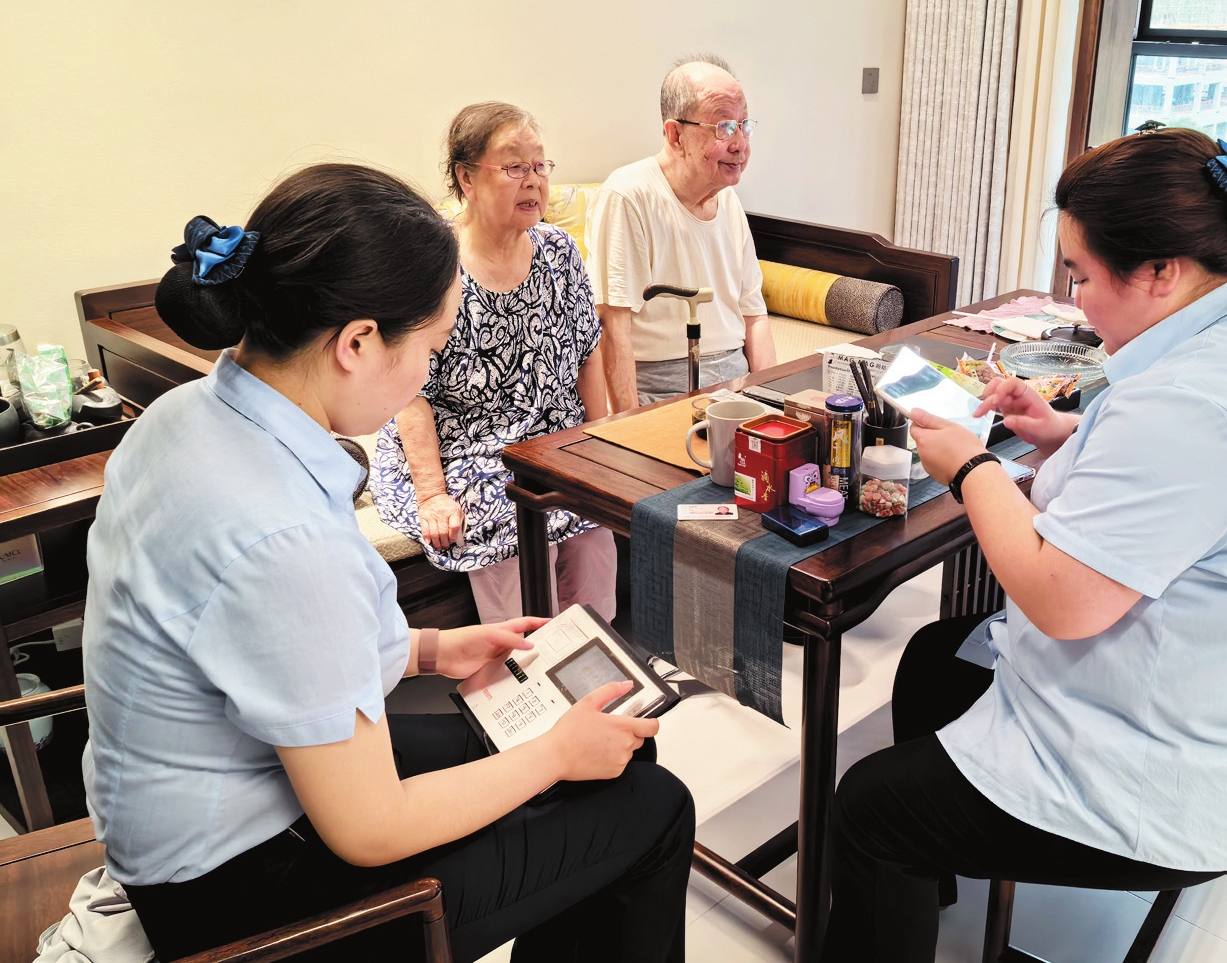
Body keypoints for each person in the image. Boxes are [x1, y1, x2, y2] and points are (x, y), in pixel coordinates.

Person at [82, 164, 694, 963]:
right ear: (358, 342)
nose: (427, 374)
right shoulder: (282, 532)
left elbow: (255, 645)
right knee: (652, 807)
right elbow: (368, 828)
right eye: (432, 347)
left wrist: (432, 649)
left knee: (617, 752)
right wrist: (549, 757)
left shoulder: (182, 416)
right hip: (236, 889)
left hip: (230, 790)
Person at [821, 129, 1227, 962]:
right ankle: (920, 892)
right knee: (934, 658)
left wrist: (970, 467)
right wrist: (1061, 432)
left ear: (1159, 270)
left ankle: (903, 865)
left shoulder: (1190, 404)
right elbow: (1199, 485)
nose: (1075, 302)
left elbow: (1061, 600)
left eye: (1079, 275)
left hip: (1178, 773)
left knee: (868, 809)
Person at [371, 103, 618, 623]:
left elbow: (588, 352)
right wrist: (432, 495)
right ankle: (525, 662)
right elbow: (410, 393)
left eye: (540, 165)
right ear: (467, 178)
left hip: (556, 438)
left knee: (594, 528)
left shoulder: (558, 251)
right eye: (514, 166)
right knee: (512, 522)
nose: (533, 180)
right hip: (467, 449)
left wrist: (601, 448)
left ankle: (597, 655)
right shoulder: (433, 265)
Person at [587, 54, 774, 409]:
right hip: (659, 391)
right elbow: (613, 327)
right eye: (724, 127)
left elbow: (754, 315)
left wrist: (771, 403)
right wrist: (630, 428)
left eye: (743, 125)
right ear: (675, 135)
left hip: (736, 381)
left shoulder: (728, 198)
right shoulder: (628, 195)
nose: (739, 145)